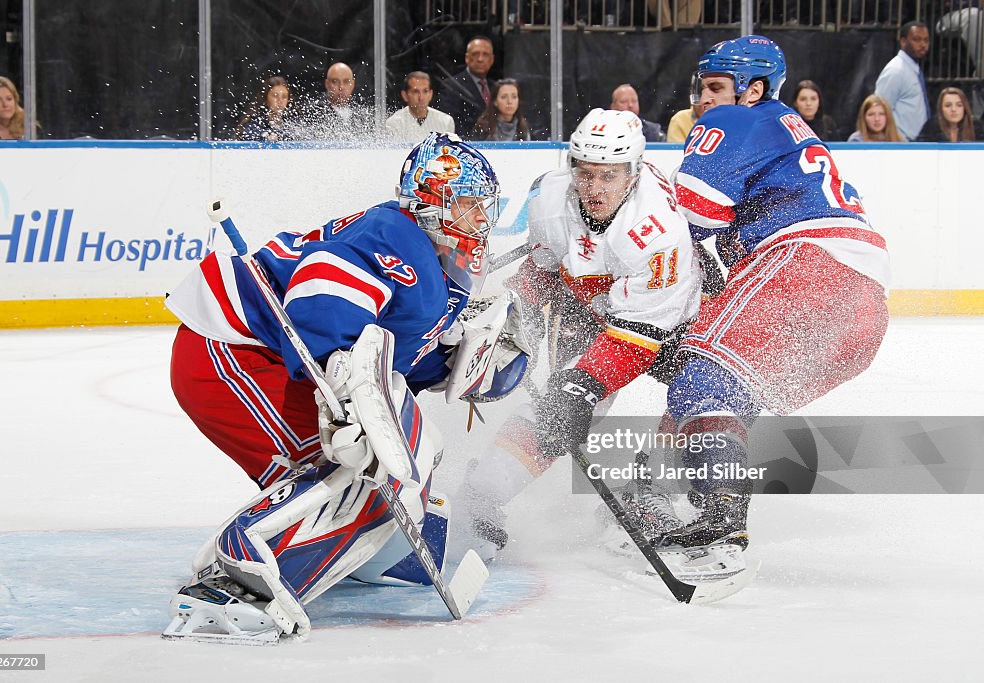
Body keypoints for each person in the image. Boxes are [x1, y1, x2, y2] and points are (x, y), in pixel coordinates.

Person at [163, 133, 507, 641]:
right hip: (232, 352)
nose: (481, 220)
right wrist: (345, 391)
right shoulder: (396, 239)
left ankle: (376, 559)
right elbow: (320, 294)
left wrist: (456, 365)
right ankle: (241, 577)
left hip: (265, 355)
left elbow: (392, 351)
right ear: (431, 204)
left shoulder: (425, 253)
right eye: (469, 205)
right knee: (359, 472)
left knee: (395, 471)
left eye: (484, 206)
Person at [651, 36, 889, 565]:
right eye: (701, 88)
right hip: (864, 304)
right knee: (723, 387)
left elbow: (682, 221)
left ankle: (720, 522)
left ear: (752, 89)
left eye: (715, 87)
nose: (701, 100)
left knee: (704, 379)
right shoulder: (788, 133)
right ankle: (653, 487)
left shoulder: (736, 119)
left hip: (808, 264)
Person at [459, 108, 707, 557]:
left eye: (608, 177)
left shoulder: (657, 231)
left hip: (677, 315)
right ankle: (484, 491)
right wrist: (515, 315)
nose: (594, 190)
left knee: (698, 395)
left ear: (632, 173)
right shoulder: (550, 200)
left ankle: (650, 487)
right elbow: (542, 268)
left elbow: (636, 338)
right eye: (586, 174)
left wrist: (584, 384)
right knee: (561, 410)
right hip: (592, 303)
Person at [875, 20, 931, 141]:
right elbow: (880, 109)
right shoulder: (896, 70)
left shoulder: (913, 68)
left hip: (916, 142)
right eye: (917, 39)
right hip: (900, 143)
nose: (923, 45)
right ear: (903, 41)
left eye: (926, 40)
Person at [437, 36, 495, 138]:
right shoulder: (452, 86)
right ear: (467, 58)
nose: (480, 59)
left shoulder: (495, 87)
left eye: (485, 54)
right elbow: (448, 122)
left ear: (492, 59)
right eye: (475, 54)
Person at [299, 62, 374, 140]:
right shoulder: (313, 111)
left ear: (353, 83)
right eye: (335, 81)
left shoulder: (363, 113)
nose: (341, 87)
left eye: (346, 81)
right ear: (327, 84)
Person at [384, 71, 455, 142]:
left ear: (431, 94)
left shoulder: (446, 122)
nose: (421, 98)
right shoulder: (393, 124)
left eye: (425, 91)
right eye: (415, 92)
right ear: (405, 95)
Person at [232, 75, 301, 142]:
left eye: (284, 96)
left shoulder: (293, 121)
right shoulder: (254, 121)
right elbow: (248, 135)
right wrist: (266, 137)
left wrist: (279, 137)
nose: (280, 101)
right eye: (275, 96)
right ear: (265, 99)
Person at [917, 86, 984, 142]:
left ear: (965, 108)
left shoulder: (976, 127)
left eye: (959, 105)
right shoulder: (931, 127)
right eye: (948, 105)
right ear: (941, 109)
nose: (953, 109)